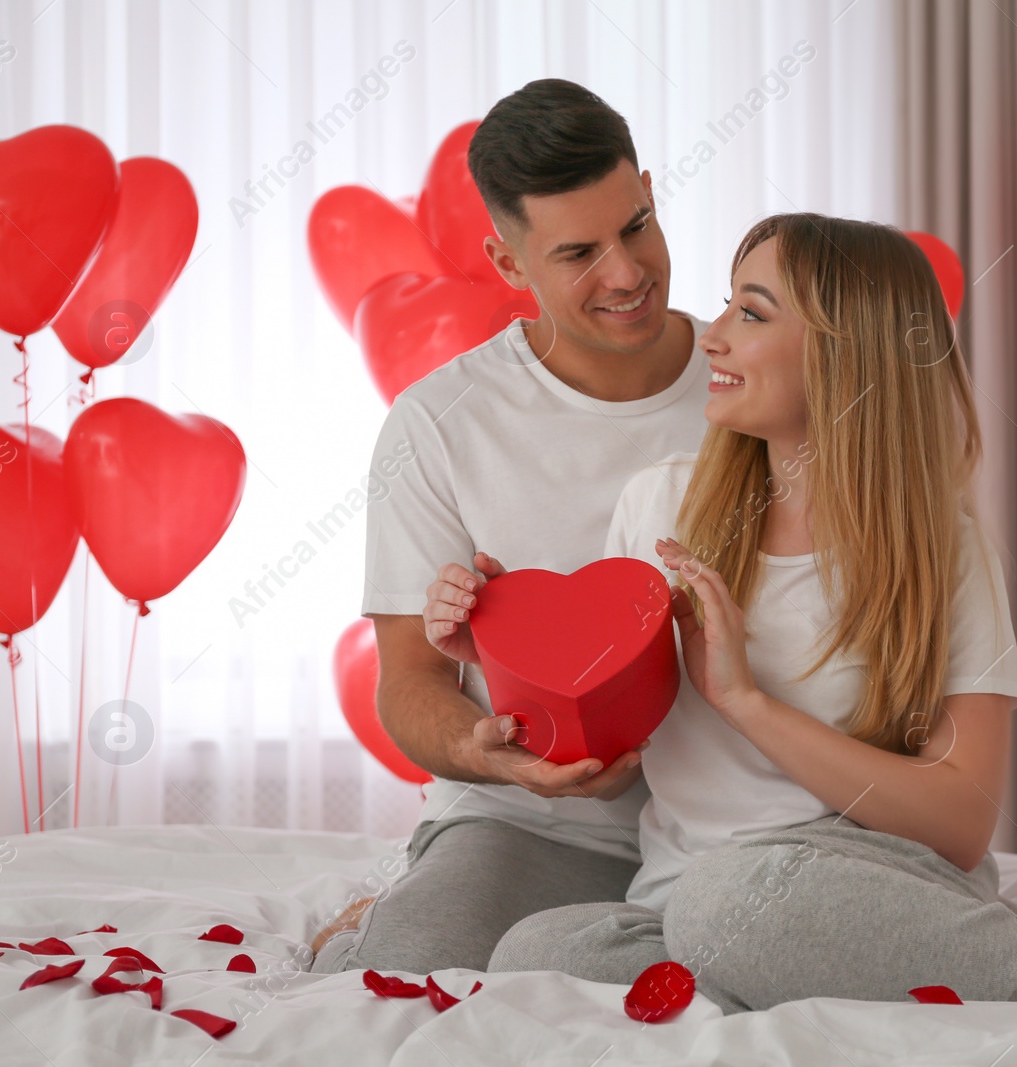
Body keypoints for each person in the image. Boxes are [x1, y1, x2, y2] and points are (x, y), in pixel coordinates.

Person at [467, 213, 1017, 1014]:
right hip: (681, 904)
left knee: (733, 902)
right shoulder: (660, 505)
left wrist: (747, 702)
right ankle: (810, 973)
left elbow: (960, 823)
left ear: (846, 356)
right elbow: (607, 747)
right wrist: (498, 632)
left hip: (849, 881)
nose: (713, 332)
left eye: (751, 312)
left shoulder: (940, 548)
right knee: (534, 949)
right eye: (727, 301)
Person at [310, 78, 711, 974]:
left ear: (650, 189)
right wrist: (492, 757)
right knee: (404, 980)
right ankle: (404, 900)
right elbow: (410, 681)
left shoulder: (757, 385)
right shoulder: (439, 425)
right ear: (506, 263)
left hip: (733, 821)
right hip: (531, 823)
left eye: (636, 225)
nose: (627, 273)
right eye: (579, 252)